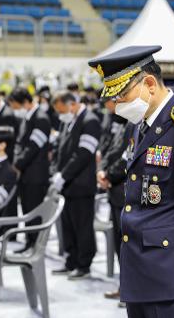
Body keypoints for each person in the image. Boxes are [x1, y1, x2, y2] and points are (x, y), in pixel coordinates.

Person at [88, 45, 174, 318]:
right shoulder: (142, 124)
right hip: (140, 270)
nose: (118, 105)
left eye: (122, 95)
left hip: (169, 276)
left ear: (149, 83)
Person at [49, 91, 101, 280]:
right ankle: (70, 260)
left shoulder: (90, 121)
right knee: (68, 226)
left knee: (82, 226)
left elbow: (83, 153)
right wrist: (57, 171)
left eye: (62, 110)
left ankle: (83, 264)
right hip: (67, 184)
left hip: (81, 184)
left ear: (71, 104)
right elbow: (60, 148)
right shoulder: (68, 120)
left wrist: (64, 174)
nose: (60, 114)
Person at [97, 97, 134, 305]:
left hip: (123, 191)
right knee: (121, 245)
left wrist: (109, 175)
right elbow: (113, 150)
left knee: (127, 246)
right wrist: (103, 172)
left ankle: (130, 290)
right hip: (115, 191)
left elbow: (127, 158)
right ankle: (125, 287)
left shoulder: (134, 123)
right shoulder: (124, 122)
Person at [9, 87, 50, 250]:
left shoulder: (41, 118)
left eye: (15, 104)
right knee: (26, 209)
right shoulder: (28, 117)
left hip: (35, 174)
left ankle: (36, 243)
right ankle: (29, 241)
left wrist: (17, 164)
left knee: (34, 209)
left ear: (25, 102)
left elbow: (33, 146)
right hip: (26, 173)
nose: (15, 109)